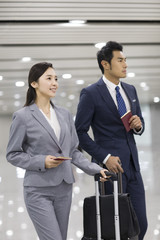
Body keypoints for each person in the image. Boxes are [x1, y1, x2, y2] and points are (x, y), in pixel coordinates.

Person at [6, 62, 108, 240]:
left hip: (64, 188)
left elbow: (74, 152)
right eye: (49, 78)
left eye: (56, 79)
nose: (54, 83)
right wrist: (41, 161)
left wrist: (96, 169)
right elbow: (13, 154)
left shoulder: (64, 114)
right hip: (38, 191)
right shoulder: (22, 116)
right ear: (34, 83)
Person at [75, 41, 148, 240]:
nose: (125, 64)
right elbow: (79, 132)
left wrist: (138, 125)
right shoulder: (90, 94)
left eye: (125, 60)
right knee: (116, 227)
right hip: (111, 170)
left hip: (133, 167)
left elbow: (138, 124)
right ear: (105, 64)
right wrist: (104, 157)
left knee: (141, 224)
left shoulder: (130, 90)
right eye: (120, 60)